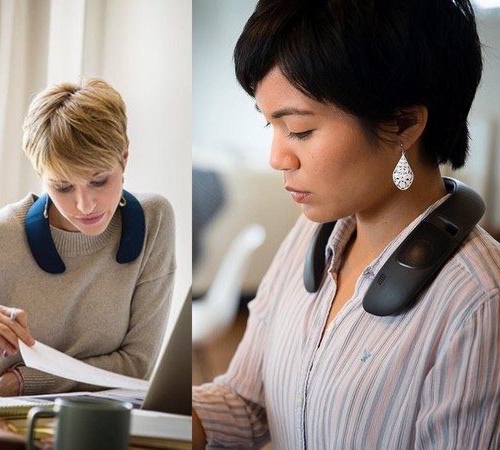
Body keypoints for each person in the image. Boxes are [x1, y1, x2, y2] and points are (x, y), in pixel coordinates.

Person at [192, 0, 500, 449]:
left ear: (404, 123)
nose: (277, 157)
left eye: (298, 129)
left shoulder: (478, 305)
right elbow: (246, 400)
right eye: (269, 126)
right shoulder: (309, 235)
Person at [0, 78, 176, 397]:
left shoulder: (154, 220)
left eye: (99, 181)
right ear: (41, 172)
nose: (85, 205)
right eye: (63, 187)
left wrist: (24, 381)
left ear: (124, 156)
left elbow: (136, 364)